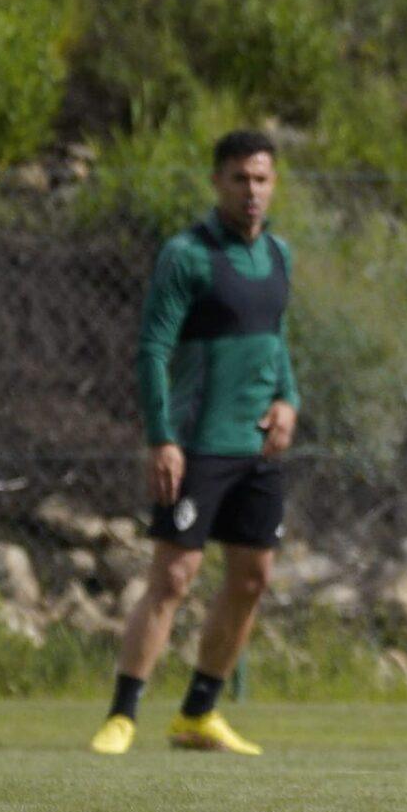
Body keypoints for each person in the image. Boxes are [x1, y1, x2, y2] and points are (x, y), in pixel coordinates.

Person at [90, 131, 298, 758]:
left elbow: (278, 338)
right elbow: (153, 348)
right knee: (174, 576)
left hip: (259, 449)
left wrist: (289, 400)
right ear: (217, 182)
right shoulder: (186, 254)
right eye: (239, 178)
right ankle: (123, 714)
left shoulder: (281, 254)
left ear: (274, 183)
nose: (252, 190)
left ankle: (198, 714)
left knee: (252, 578)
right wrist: (162, 437)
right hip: (199, 442)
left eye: (261, 178)